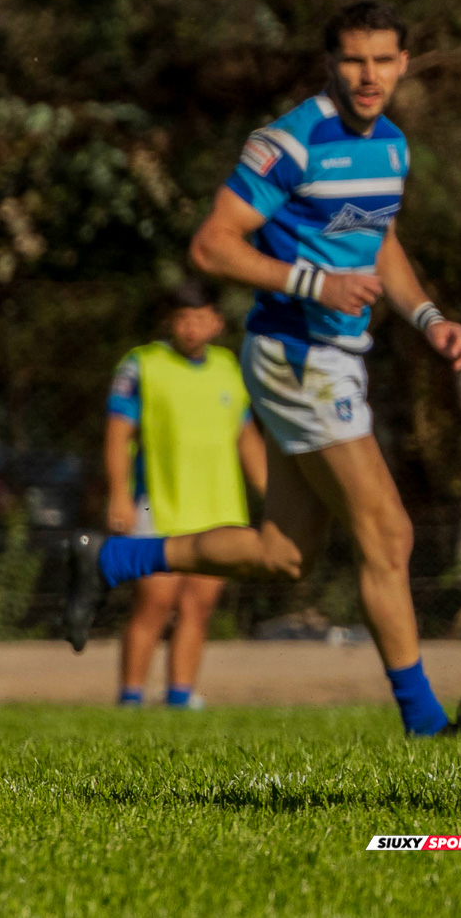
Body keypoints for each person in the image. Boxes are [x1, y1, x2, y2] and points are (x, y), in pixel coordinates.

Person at [66, 0, 461, 739]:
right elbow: (212, 245)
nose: (369, 75)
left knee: (284, 553)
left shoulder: (391, 146)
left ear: (404, 64)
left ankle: (114, 559)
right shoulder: (291, 141)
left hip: (339, 358)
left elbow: (378, 243)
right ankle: (426, 722)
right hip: (296, 355)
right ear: (330, 62)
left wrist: (430, 319)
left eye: (384, 60)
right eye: (354, 59)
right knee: (389, 534)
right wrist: (313, 284)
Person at [104, 280, 266, 709]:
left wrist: (271, 494)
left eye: (199, 319)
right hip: (159, 503)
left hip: (217, 508)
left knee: (200, 605)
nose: (191, 328)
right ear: (170, 323)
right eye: (182, 319)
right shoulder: (142, 365)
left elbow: (246, 437)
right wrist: (118, 494)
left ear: (216, 322)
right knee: (155, 601)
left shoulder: (229, 367)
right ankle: (130, 698)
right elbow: (118, 434)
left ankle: (179, 697)